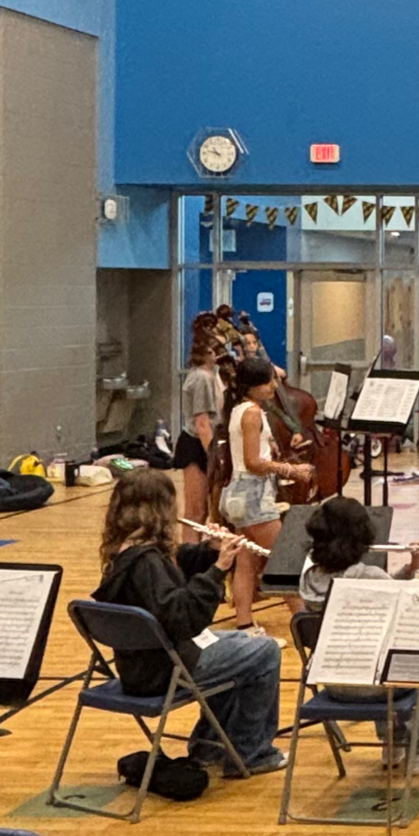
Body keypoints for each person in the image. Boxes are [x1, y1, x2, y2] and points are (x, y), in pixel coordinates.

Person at [93, 469, 284, 777]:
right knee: (265, 652)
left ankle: (209, 747)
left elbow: (176, 570)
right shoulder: (147, 563)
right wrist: (219, 569)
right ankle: (251, 752)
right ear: (160, 508)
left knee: (240, 648)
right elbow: (182, 617)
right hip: (166, 669)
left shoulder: (126, 552)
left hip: (141, 665)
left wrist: (207, 551)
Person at [299, 496, 419, 775]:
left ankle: (393, 742)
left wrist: (411, 568)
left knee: (370, 651)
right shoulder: (369, 576)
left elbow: (386, 592)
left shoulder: (307, 581)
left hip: (333, 682)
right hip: (375, 688)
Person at [219, 355, 311, 630]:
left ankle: (245, 625)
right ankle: (303, 621)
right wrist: (291, 470)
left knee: (247, 561)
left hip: (237, 494)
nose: (274, 385)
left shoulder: (240, 409)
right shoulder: (252, 413)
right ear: (252, 385)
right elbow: (254, 462)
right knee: (282, 559)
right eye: (267, 381)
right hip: (253, 494)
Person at [174, 325, 226, 541]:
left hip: (207, 441)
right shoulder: (201, 378)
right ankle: (188, 554)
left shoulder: (212, 375)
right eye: (217, 350)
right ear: (207, 353)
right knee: (195, 511)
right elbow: (202, 422)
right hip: (196, 444)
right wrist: (214, 456)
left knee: (204, 512)